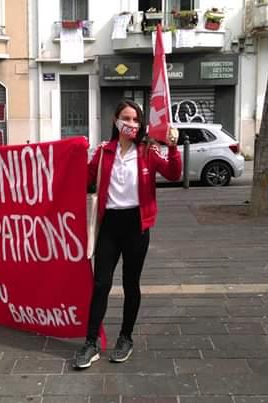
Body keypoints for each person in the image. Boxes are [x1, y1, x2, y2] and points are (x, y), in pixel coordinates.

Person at [73, 100, 182, 369]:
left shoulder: (147, 151)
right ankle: (90, 342)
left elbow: (173, 174)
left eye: (136, 120)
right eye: (126, 118)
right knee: (101, 284)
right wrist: (75, 154)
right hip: (109, 225)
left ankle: (125, 337)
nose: (131, 124)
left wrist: (172, 146)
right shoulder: (103, 152)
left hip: (136, 225)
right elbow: (83, 179)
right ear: (115, 120)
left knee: (131, 284)